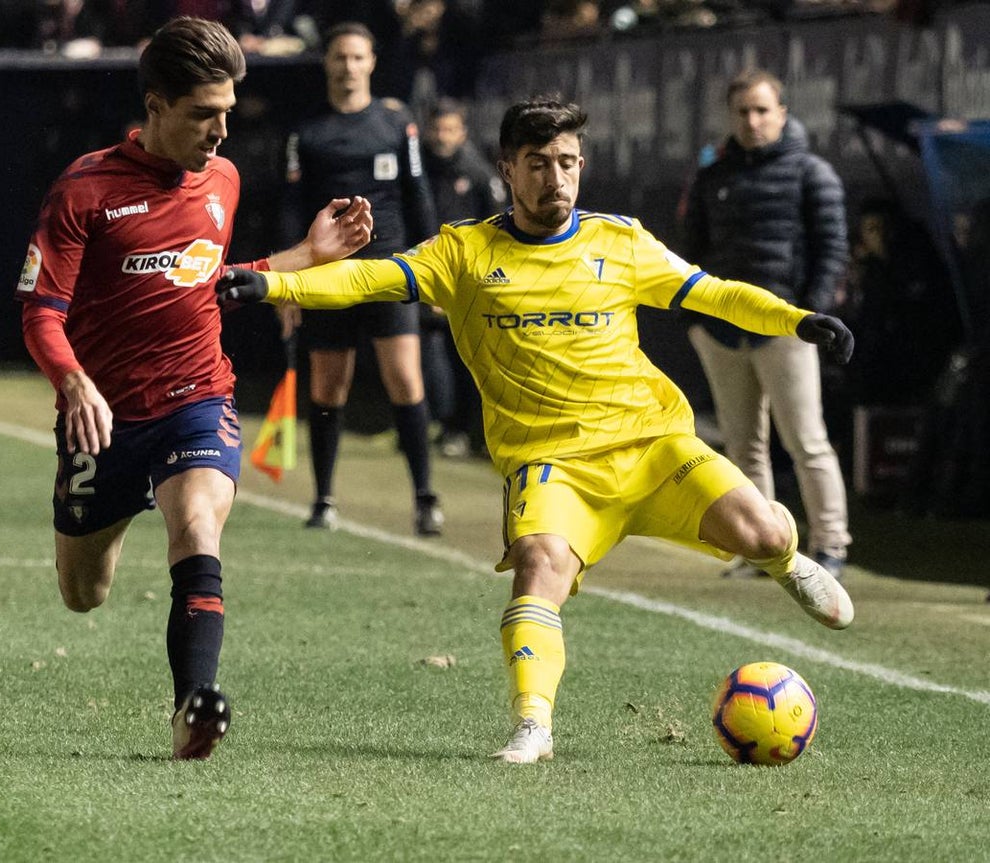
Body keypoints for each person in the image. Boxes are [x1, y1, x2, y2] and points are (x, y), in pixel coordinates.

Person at [219, 96, 857, 764]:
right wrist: (270, 288)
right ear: (508, 169)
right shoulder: (464, 252)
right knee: (537, 566)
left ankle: (788, 560)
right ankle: (533, 725)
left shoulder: (620, 241)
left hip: (654, 448)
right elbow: (367, 276)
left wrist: (797, 320)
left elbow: (715, 293)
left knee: (766, 532)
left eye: (568, 162)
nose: (556, 178)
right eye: (539, 164)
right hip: (553, 466)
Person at [14, 16, 373, 760]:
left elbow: (203, 283)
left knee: (198, 529)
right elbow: (41, 314)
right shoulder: (84, 192)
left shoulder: (226, 180)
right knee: (84, 593)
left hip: (197, 395)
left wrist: (308, 255)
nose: (219, 132)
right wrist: (74, 382)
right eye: (202, 114)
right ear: (155, 106)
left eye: (228, 114)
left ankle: (193, 707)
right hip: (103, 418)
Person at [680, 69, 851, 581]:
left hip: (787, 328)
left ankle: (831, 546)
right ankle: (760, 549)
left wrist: (811, 315)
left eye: (761, 110)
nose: (752, 121)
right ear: (730, 117)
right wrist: (699, 319)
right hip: (722, 331)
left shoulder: (812, 173)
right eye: (742, 112)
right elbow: (692, 254)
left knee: (807, 440)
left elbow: (832, 249)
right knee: (741, 445)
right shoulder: (713, 176)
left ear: (782, 112)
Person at [279, 20, 443, 535]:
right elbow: (291, 208)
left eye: (357, 57)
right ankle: (323, 499)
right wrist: (290, 278)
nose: (348, 67)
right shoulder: (307, 133)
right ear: (327, 63)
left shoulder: (397, 125)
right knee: (328, 387)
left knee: (405, 380)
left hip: (389, 269)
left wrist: (435, 265)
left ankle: (424, 497)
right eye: (339, 58)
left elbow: (418, 197)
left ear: (371, 62)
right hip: (327, 276)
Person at [420, 97, 506, 457]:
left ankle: (472, 433)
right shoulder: (418, 168)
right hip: (426, 277)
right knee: (429, 355)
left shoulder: (479, 174)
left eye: (450, 129)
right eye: (438, 128)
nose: (443, 136)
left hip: (469, 284)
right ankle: (442, 425)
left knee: (469, 361)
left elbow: (497, 231)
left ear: (463, 132)